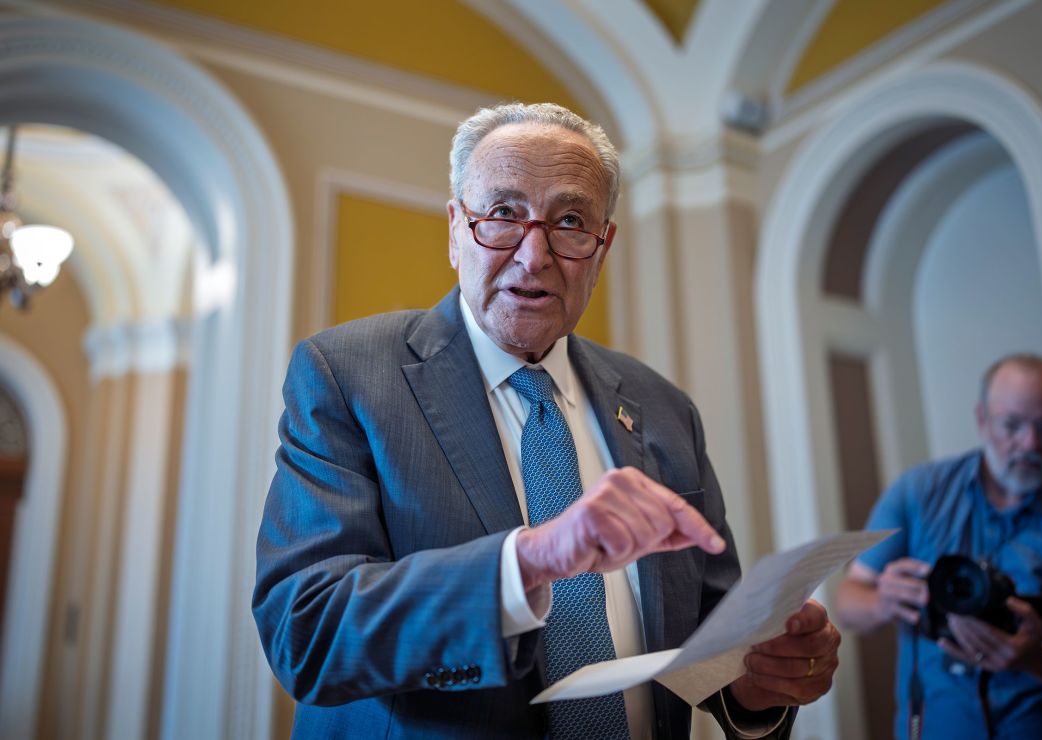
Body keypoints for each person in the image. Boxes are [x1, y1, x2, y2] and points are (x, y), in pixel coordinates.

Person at [253, 102, 841, 739]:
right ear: (455, 229)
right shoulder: (347, 375)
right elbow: (304, 630)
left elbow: (711, 636)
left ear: (602, 246)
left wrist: (758, 684)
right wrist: (527, 563)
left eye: (569, 221)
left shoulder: (665, 409)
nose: (534, 257)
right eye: (503, 214)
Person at [836, 354, 1042, 739]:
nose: (1029, 443)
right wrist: (884, 601)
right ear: (982, 420)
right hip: (932, 725)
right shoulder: (920, 492)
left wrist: (1035, 658)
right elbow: (848, 601)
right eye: (1011, 424)